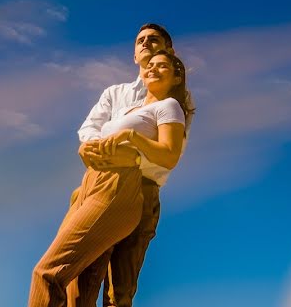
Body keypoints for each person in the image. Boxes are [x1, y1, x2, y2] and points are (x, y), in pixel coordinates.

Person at [28, 43, 190, 307]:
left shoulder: (169, 106)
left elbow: (169, 156)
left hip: (120, 183)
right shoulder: (126, 106)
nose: (153, 68)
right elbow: (91, 129)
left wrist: (131, 137)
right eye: (151, 65)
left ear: (177, 76)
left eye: (163, 65)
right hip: (91, 183)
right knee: (78, 292)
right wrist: (89, 146)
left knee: (49, 273)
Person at [71, 24, 194, 307]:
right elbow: (89, 129)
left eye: (154, 40)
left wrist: (130, 148)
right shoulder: (115, 94)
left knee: (119, 291)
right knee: (82, 279)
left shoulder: (175, 99)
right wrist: (99, 149)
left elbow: (172, 148)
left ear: (169, 51)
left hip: (142, 187)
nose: (146, 44)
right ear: (134, 54)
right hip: (101, 184)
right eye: (141, 40)